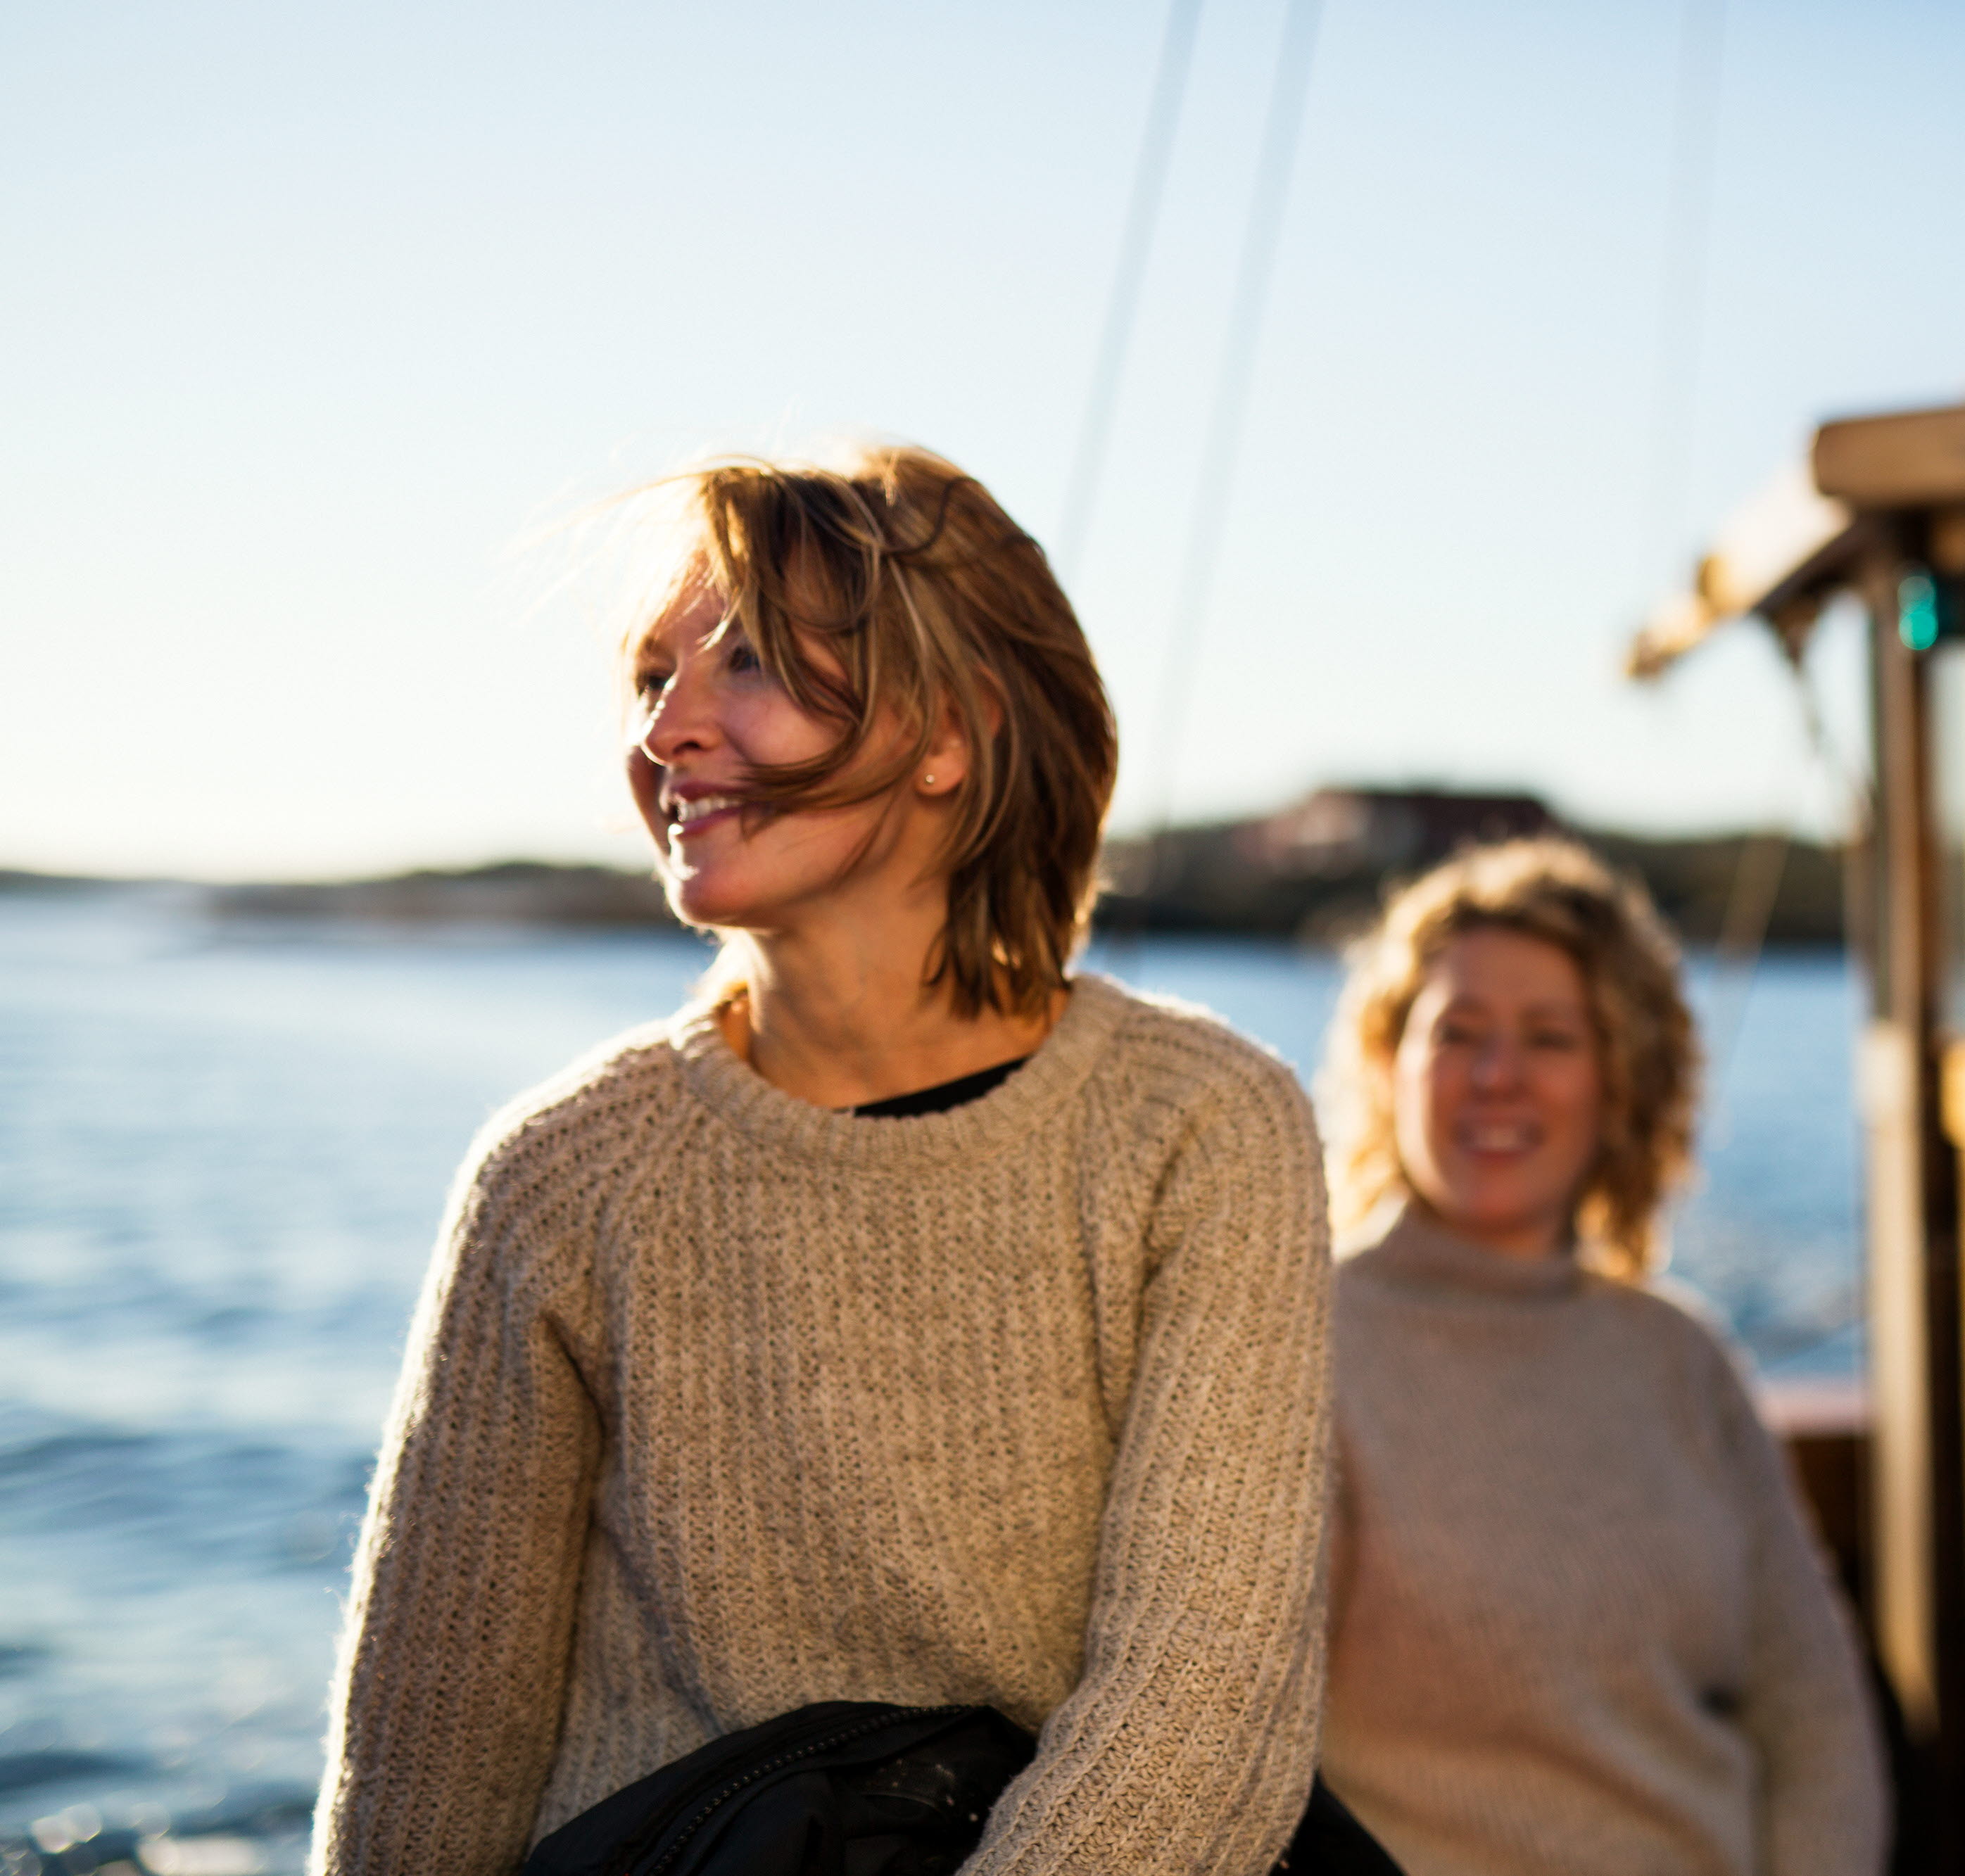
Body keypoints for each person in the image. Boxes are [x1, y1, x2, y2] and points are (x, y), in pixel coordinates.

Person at [309, 443, 1335, 1876]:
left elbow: (1205, 1693)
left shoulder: (1201, 1125)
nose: (669, 729)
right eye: (651, 676)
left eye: (745, 662)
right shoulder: (561, 1176)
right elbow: (430, 1751)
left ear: (949, 730)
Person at [1314, 836, 1888, 1875]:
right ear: (1387, 1060)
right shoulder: (1295, 1343)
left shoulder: (1682, 1359)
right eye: (1459, 1031)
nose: (1497, 1076)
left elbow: (1819, 1725)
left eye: (1549, 1036)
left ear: (1623, 1079)